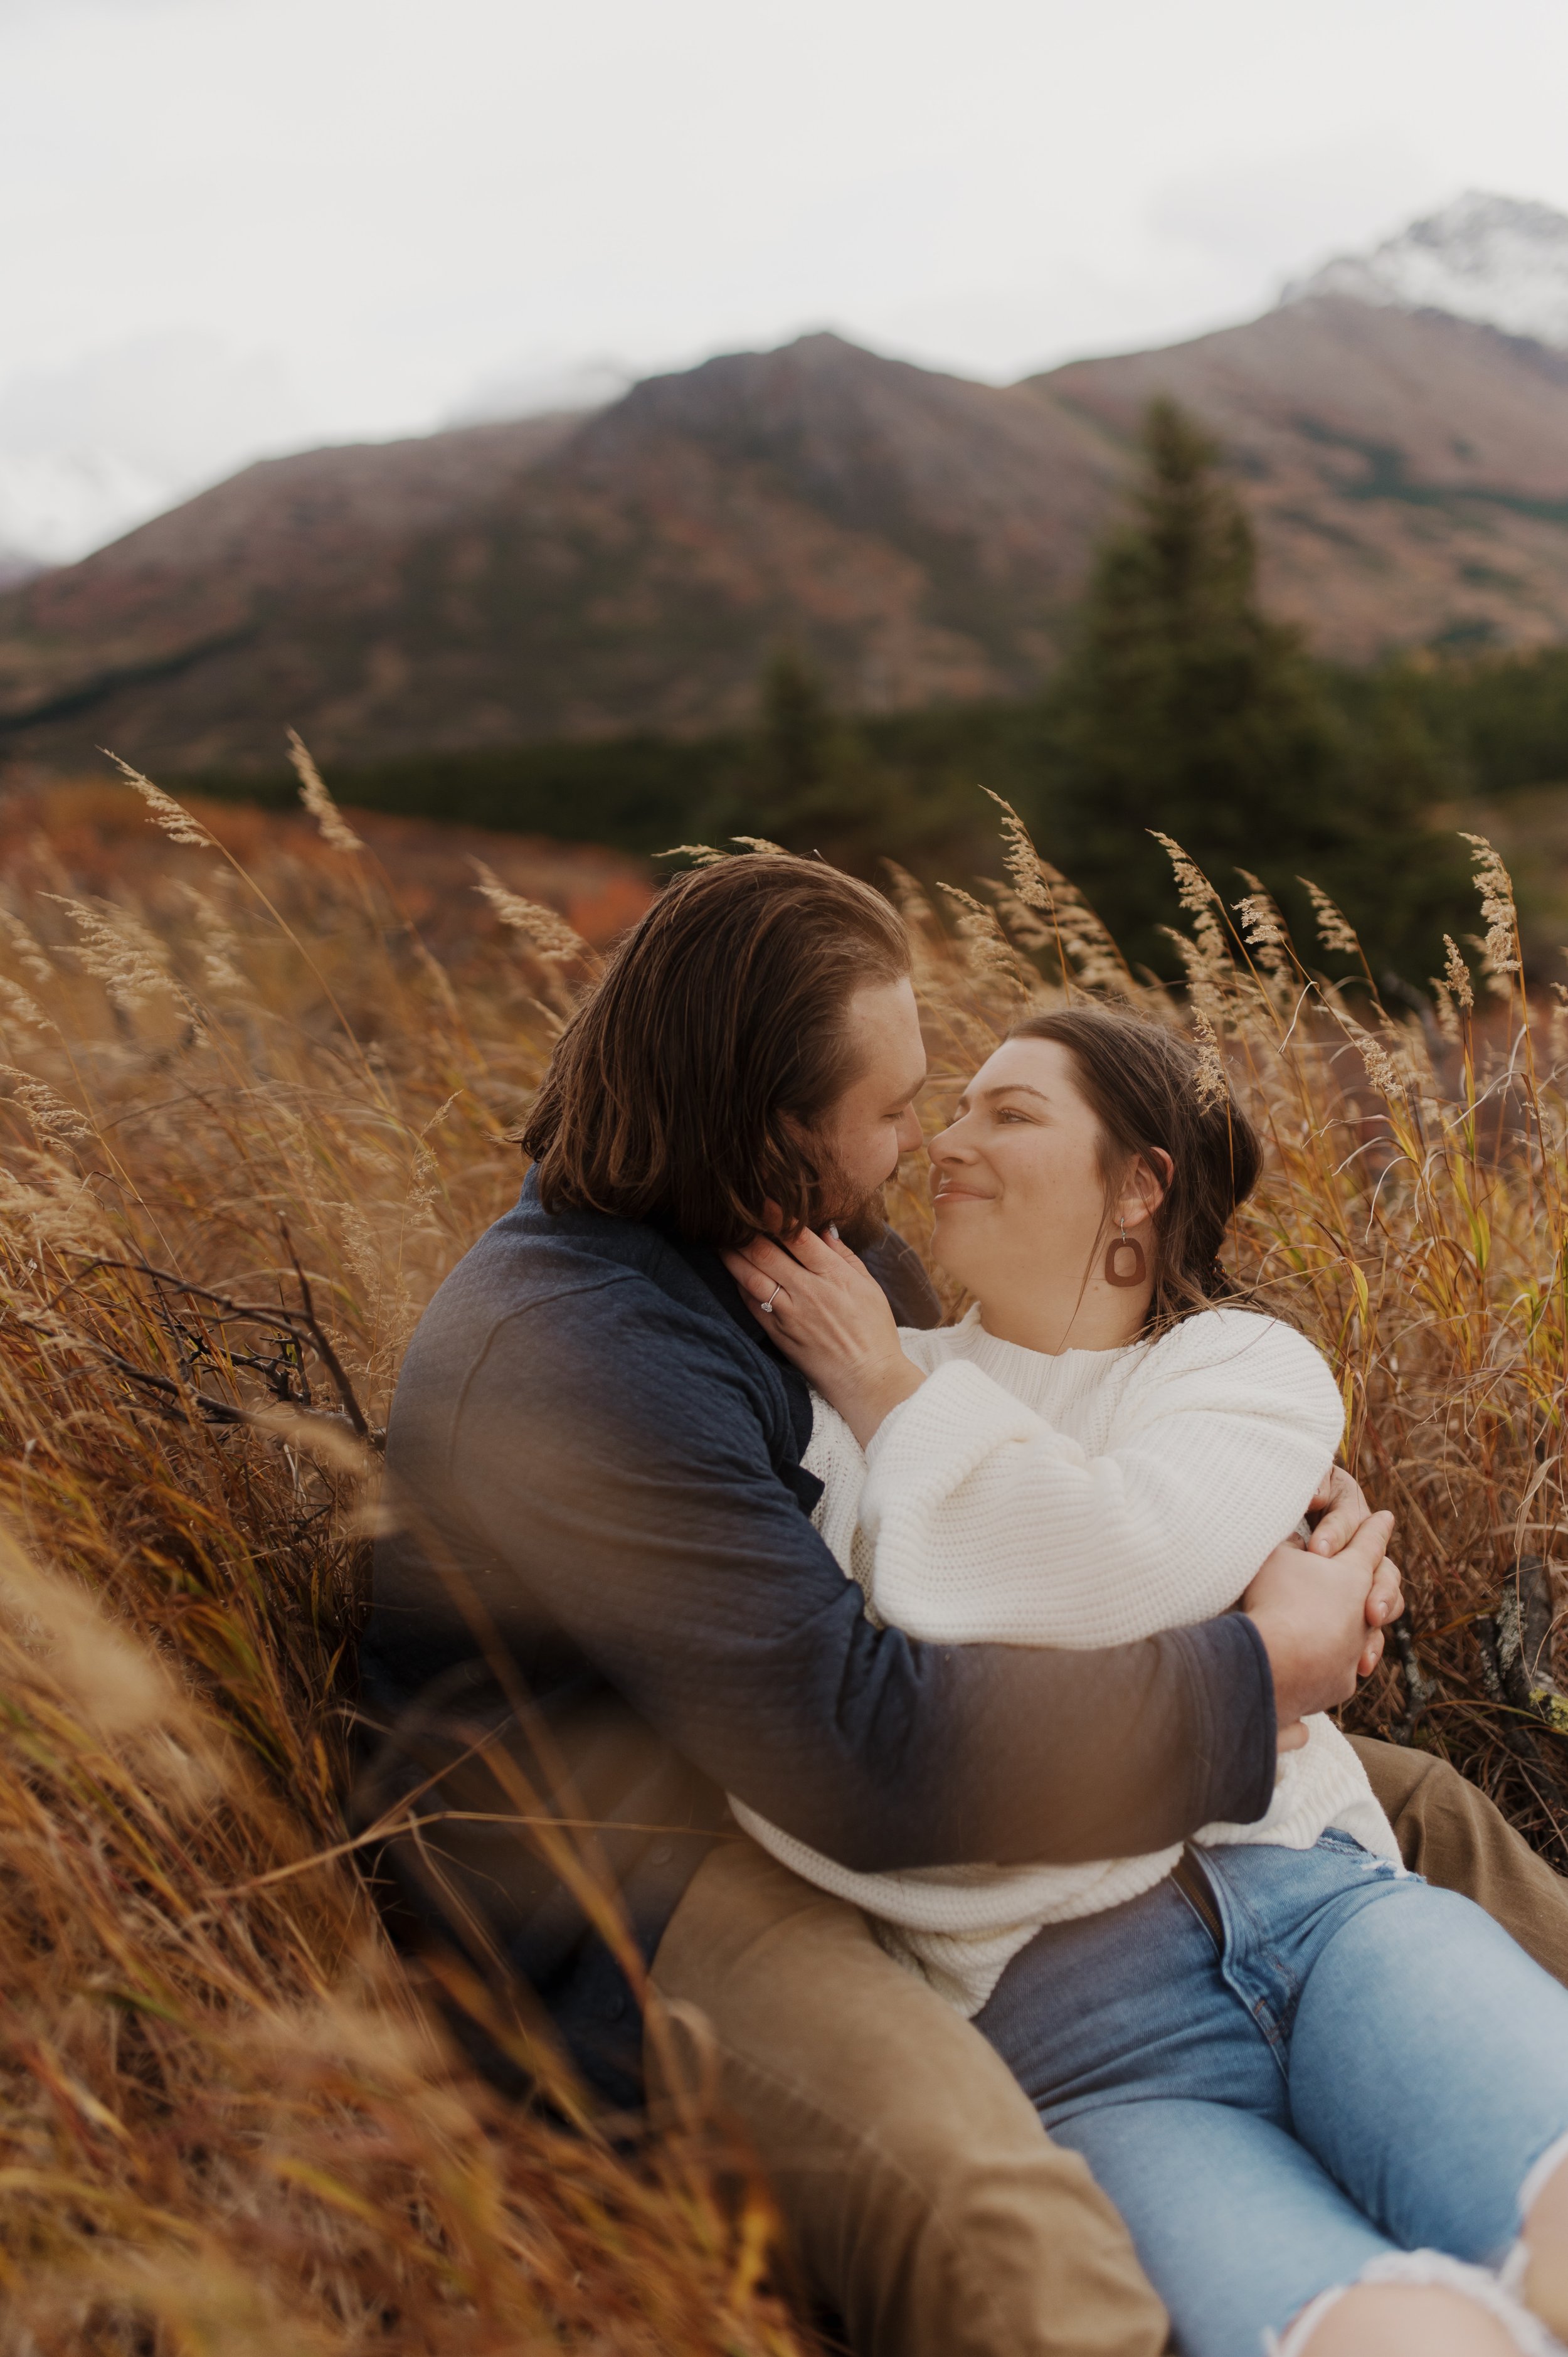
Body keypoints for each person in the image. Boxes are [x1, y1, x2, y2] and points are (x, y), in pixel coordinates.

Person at [353, 853, 1568, 2357]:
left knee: (1424, 1808)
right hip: (649, 1854)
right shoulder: (566, 1358)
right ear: (764, 1129)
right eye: (890, 1109)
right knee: (1008, 2226)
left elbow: (985, 1467)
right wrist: (1254, 1672)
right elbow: (864, 1752)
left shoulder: (812, 1239)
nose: (920, 1140)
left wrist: (1268, 1521)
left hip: (826, 1736)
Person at [719, 1005, 1568, 2357]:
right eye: (953, 1109)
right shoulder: (829, 1408)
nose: (948, 1140)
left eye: (1008, 1111)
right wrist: (887, 1395)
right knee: (1379, 2339)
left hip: (1327, 1917)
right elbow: (844, 1727)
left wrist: (901, 1413)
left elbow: (1113, 1564)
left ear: (1139, 1183)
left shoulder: (1233, 1368)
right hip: (1084, 2051)